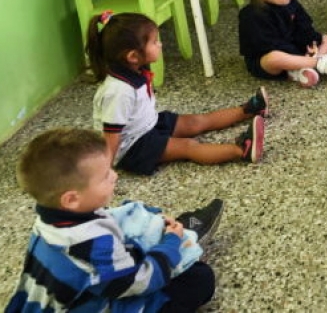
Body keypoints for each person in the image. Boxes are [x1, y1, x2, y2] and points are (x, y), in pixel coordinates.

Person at [6, 128, 216, 311]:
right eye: (105, 175)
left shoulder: (50, 219)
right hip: (102, 302)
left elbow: (105, 216)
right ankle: (182, 241)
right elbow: (140, 282)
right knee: (199, 279)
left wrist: (151, 213)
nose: (115, 176)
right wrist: (171, 244)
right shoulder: (88, 245)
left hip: (73, 294)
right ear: (71, 199)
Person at [90, 11, 266, 175]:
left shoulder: (134, 69)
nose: (160, 44)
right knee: (188, 146)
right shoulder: (118, 91)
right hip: (133, 148)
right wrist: (105, 170)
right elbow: (111, 134)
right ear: (133, 56)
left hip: (149, 124)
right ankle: (242, 150)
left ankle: (249, 110)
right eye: (154, 42)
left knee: (195, 122)